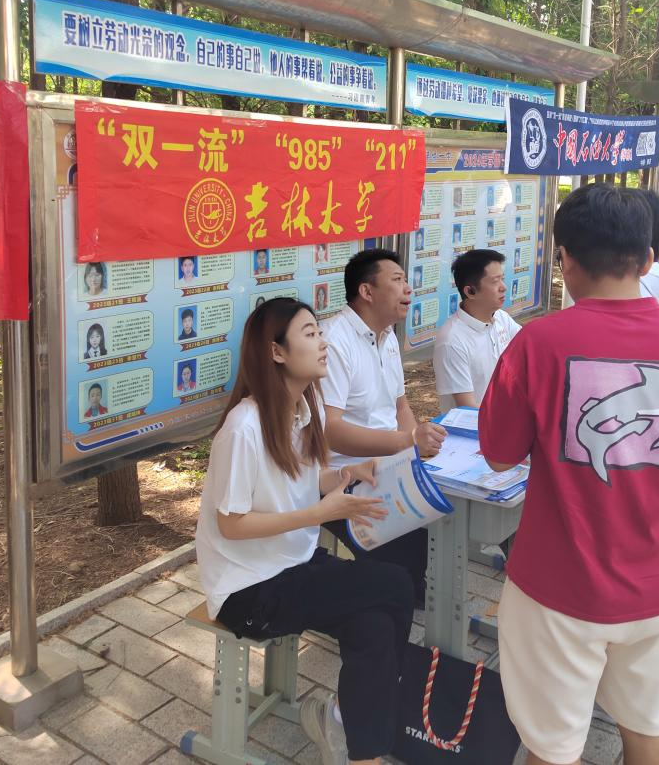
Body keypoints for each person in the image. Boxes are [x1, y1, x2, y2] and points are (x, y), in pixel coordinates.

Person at [479, 184, 659, 765]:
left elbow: (498, 455)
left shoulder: (536, 343)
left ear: (564, 259)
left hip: (555, 586)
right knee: (647, 732)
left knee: (552, 749)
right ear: (647, 259)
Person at [195, 298, 412, 764]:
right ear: (276, 352)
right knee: (395, 583)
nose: (323, 342)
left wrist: (348, 475)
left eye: (319, 331)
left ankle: (351, 736)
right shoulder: (243, 427)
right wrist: (317, 514)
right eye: (310, 334)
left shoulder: (302, 411)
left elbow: (302, 481)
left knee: (374, 625)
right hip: (248, 588)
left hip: (293, 562)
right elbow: (231, 524)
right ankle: (360, 723)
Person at [322, 249, 447, 597]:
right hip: (343, 475)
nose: (408, 288)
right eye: (397, 280)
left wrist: (416, 452)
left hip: (387, 466)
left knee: (444, 512)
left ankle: (408, 588)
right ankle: (391, 594)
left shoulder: (387, 335)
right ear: (367, 291)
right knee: (411, 546)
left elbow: (400, 406)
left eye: (406, 280)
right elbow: (331, 431)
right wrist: (407, 442)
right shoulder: (334, 341)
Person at [434, 249, 522, 412]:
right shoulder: (452, 341)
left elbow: (529, 351)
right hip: (476, 425)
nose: (503, 287)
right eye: (495, 281)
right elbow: (467, 407)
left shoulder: (502, 318)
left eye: (502, 279)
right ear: (470, 291)